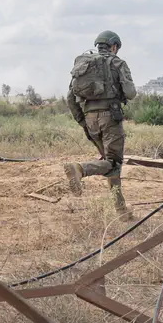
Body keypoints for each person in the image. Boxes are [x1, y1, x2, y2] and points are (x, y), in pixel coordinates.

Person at [63, 30, 137, 218]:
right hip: (110, 117)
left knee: (110, 163)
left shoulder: (83, 65)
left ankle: (121, 210)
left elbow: (70, 98)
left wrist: (83, 121)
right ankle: (80, 169)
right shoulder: (117, 63)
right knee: (114, 162)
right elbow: (130, 93)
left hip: (90, 120)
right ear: (114, 46)